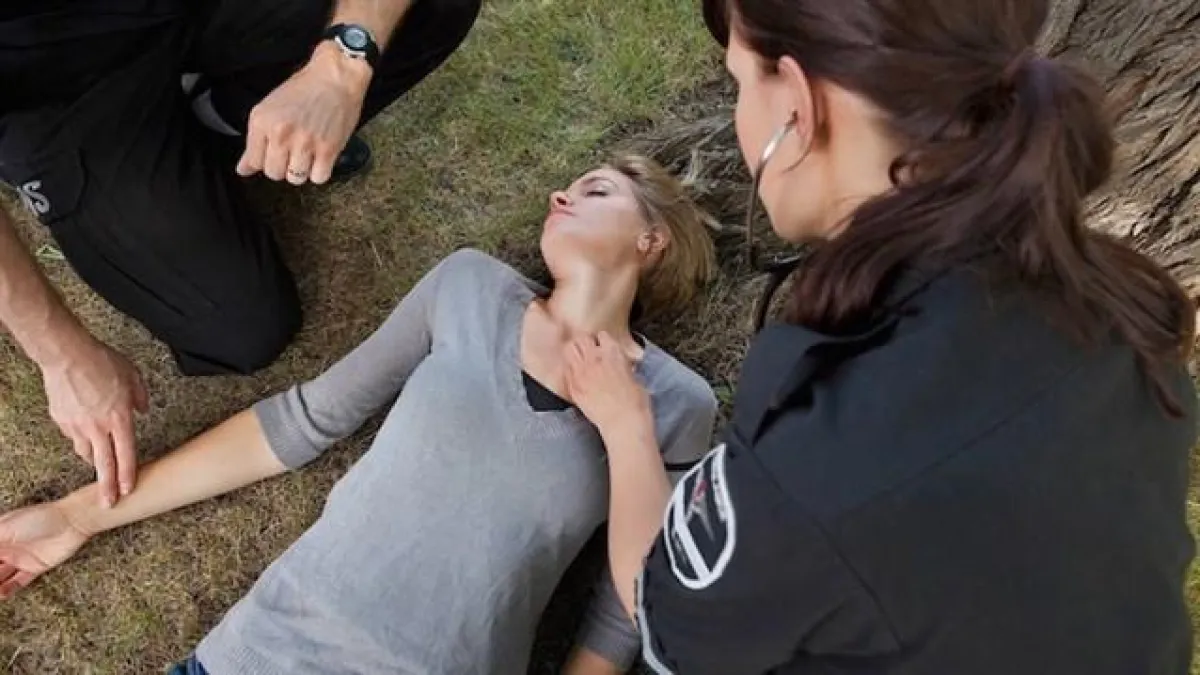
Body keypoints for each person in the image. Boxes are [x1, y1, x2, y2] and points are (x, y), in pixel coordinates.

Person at [562, 1, 1200, 674]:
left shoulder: (822, 459)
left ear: (797, 104)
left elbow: (668, 616)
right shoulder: (1120, 310)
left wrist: (627, 424)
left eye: (740, 82)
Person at [0, 156, 719, 675]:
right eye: (569, 185)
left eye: (597, 190)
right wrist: (76, 516)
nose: (560, 194)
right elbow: (304, 420)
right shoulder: (472, 288)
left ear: (651, 239)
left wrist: (624, 423)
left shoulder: (676, 403)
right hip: (264, 655)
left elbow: (626, 605)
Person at [0, 0, 481, 508]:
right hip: (52, 84)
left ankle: (224, 122)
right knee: (241, 326)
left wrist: (342, 62)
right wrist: (61, 357)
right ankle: (155, 155)